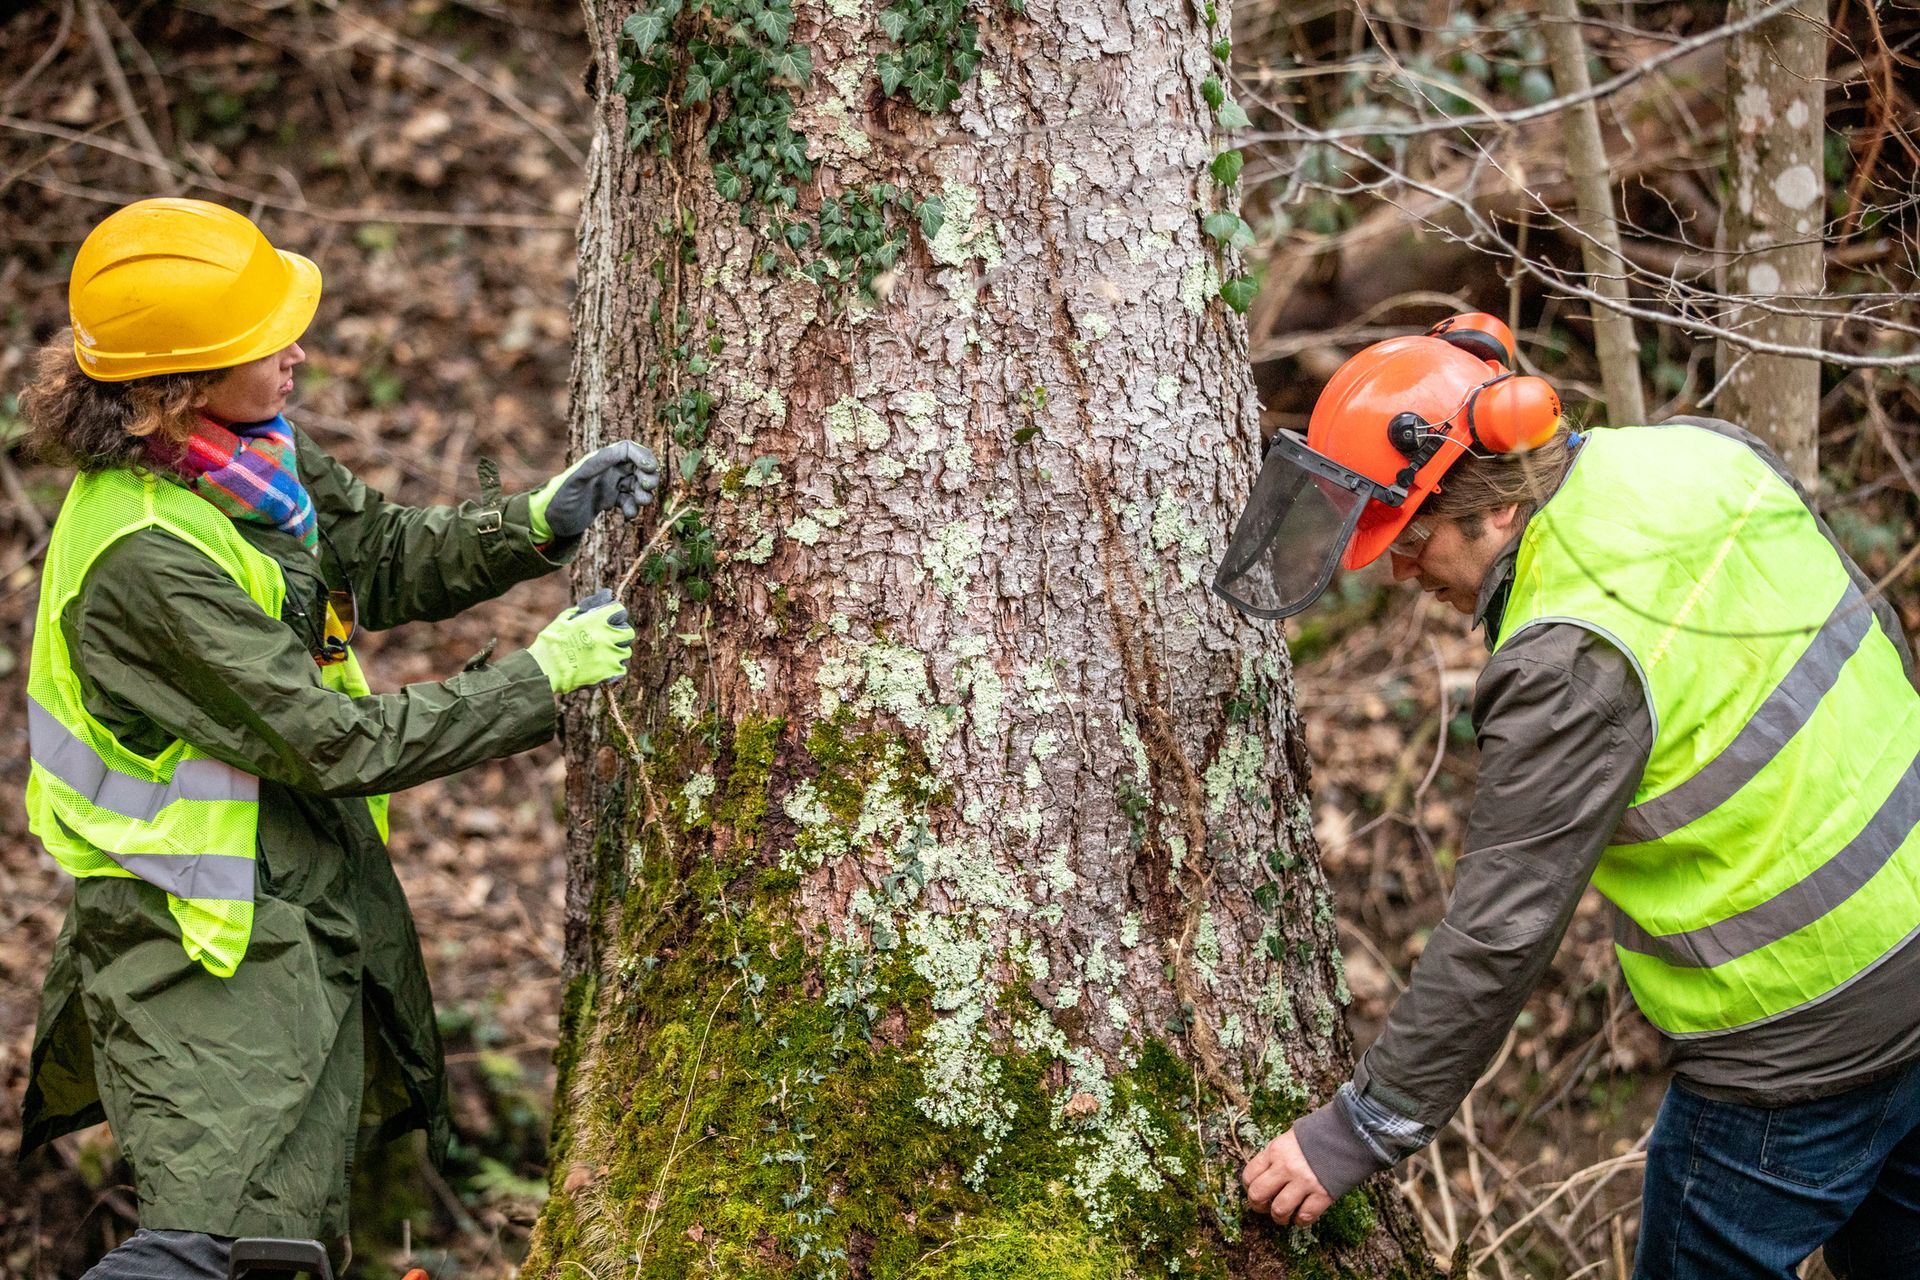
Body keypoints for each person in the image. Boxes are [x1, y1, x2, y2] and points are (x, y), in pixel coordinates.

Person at [16, 197, 659, 1277]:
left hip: (290, 901)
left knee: (280, 1246)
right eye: (266, 344)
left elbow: (372, 550)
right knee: (215, 1253)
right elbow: (329, 740)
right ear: (178, 382)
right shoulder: (144, 558)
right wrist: (534, 681)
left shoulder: (239, 455)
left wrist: (539, 520)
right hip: (194, 938)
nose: (297, 353)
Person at [1219, 314, 1920, 1280]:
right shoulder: (1700, 456)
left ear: (1495, 510)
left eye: (1411, 538)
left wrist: (1358, 1130)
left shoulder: (1566, 654)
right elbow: (1876, 636)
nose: (1400, 569)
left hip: (1797, 1043)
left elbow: (1501, 930)